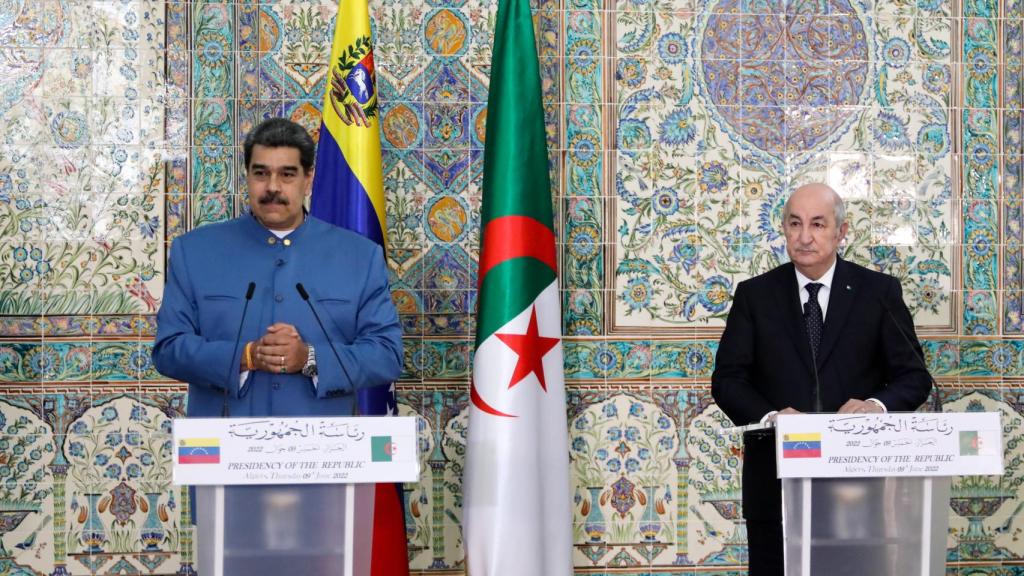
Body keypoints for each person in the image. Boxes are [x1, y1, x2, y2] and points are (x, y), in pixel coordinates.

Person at [711, 182, 932, 575]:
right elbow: (727, 380)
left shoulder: (878, 293)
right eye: (795, 224)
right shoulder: (755, 295)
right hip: (775, 482)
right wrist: (772, 417)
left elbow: (914, 377)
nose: (805, 237)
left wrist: (875, 406)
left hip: (857, 485)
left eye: (817, 224)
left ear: (840, 232)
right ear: (783, 230)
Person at [152, 118, 403, 417]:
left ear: (308, 179)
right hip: (224, 450)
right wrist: (246, 356)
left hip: (324, 451)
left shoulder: (360, 257)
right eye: (261, 173)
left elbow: (386, 355)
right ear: (246, 176)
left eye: (287, 174)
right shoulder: (194, 252)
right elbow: (168, 349)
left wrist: (310, 358)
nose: (273, 187)